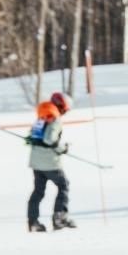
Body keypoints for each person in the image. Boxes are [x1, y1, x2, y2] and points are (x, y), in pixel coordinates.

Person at [26, 91, 77, 232]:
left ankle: (33, 222)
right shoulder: (54, 119)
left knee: (38, 191)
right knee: (63, 185)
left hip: (36, 162)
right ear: (61, 106)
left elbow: (31, 138)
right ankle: (60, 218)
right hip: (50, 163)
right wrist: (63, 148)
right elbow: (50, 139)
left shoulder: (41, 117)